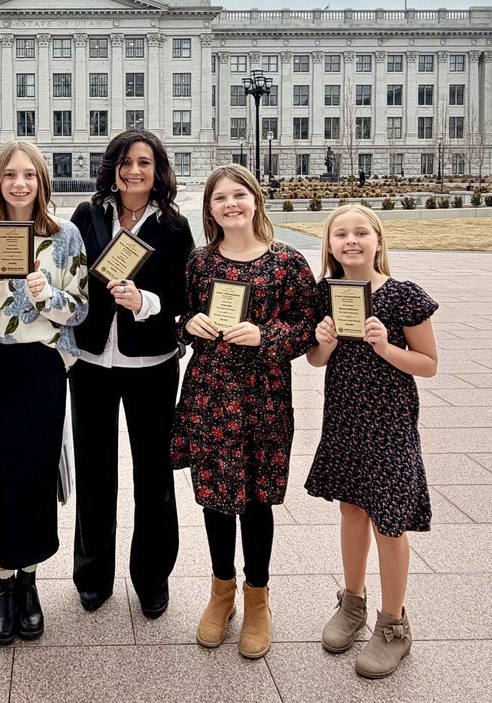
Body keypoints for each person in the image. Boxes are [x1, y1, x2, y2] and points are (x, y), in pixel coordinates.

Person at [172, 164, 317, 659]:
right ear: (210, 209)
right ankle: (221, 591)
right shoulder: (199, 263)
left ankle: (258, 597)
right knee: (214, 496)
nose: (230, 204)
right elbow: (177, 318)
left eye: (239, 195)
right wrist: (189, 323)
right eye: (220, 199)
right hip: (211, 393)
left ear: (255, 199)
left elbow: (311, 329)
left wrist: (267, 335)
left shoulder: (288, 263)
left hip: (263, 396)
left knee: (256, 498)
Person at [304, 204, 438, 679]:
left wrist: (388, 348)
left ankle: (393, 623)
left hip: (391, 423)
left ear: (378, 241)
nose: (352, 240)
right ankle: (353, 601)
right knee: (351, 509)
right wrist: (324, 340)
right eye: (341, 234)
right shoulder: (326, 294)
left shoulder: (403, 296)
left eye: (361, 232)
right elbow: (317, 361)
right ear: (330, 245)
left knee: (390, 521)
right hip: (345, 419)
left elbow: (428, 363)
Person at [0, 141, 88, 646]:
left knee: (36, 474)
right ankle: (2, 581)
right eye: (10, 174)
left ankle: (30, 579)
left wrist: (45, 294)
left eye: (29, 175)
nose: (20, 184)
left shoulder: (65, 236)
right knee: (2, 473)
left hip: (44, 364)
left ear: (42, 181)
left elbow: (79, 309)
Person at [69, 129, 194, 618]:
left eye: (144, 162)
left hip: (152, 366)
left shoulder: (175, 227)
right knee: (95, 474)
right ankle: (93, 575)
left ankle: (152, 577)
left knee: (154, 476)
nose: (133, 171)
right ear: (112, 167)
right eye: (124, 161)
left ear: (157, 169)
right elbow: (70, 279)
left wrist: (146, 302)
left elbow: (185, 303)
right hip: (93, 364)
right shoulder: (87, 216)